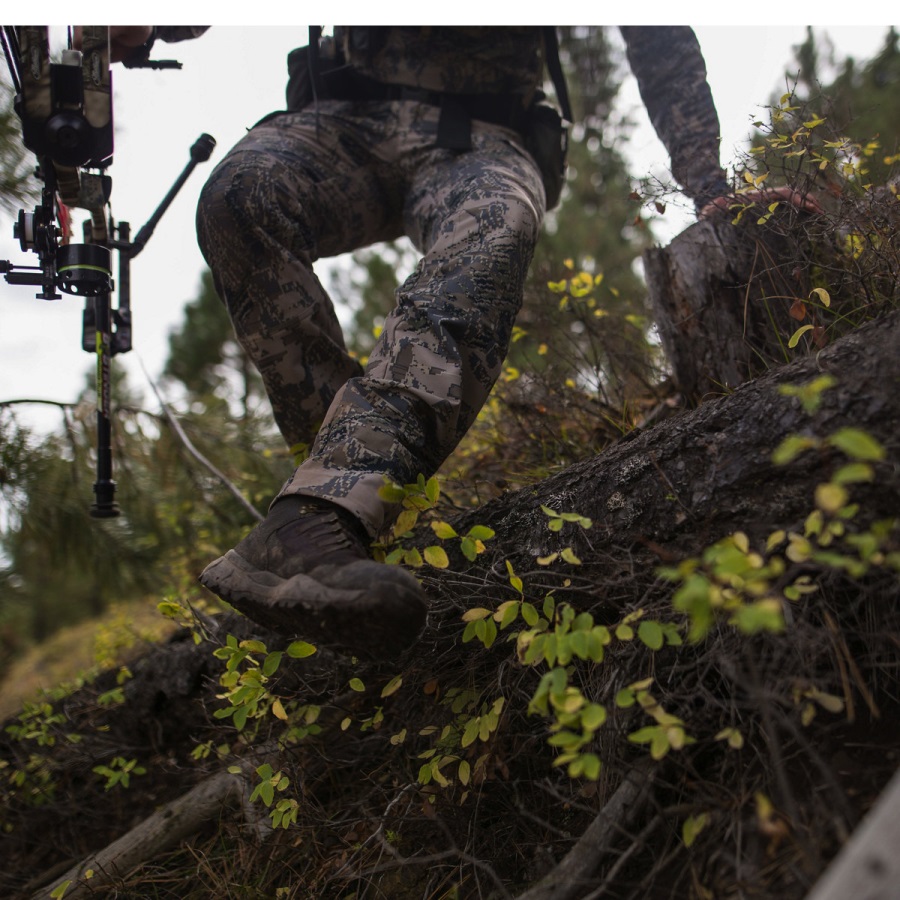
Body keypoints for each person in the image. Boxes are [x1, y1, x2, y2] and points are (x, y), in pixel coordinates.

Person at [138, 27, 750, 657]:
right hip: (343, 117)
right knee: (238, 197)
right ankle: (330, 517)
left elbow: (659, 38)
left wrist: (710, 187)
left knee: (498, 223)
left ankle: (329, 513)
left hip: (479, 133)